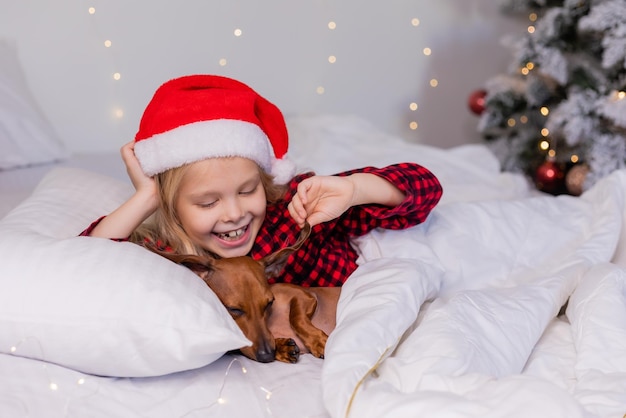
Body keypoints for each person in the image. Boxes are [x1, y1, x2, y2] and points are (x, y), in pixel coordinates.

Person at [81, 74, 443, 287]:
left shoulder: (295, 210)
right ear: (172, 207)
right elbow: (86, 263)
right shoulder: (170, 250)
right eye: (208, 202)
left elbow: (426, 188)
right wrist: (146, 197)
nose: (234, 213)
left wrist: (355, 189)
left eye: (247, 190)